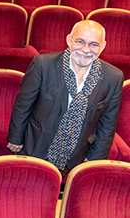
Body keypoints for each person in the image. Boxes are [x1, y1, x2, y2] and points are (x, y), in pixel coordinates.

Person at [7, 20, 123, 175]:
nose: (86, 50)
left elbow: (108, 124)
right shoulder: (43, 65)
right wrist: (15, 138)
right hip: (34, 145)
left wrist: (95, 158)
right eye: (80, 42)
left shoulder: (113, 77)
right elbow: (23, 105)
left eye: (94, 44)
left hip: (73, 156)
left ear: (102, 46)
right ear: (69, 40)